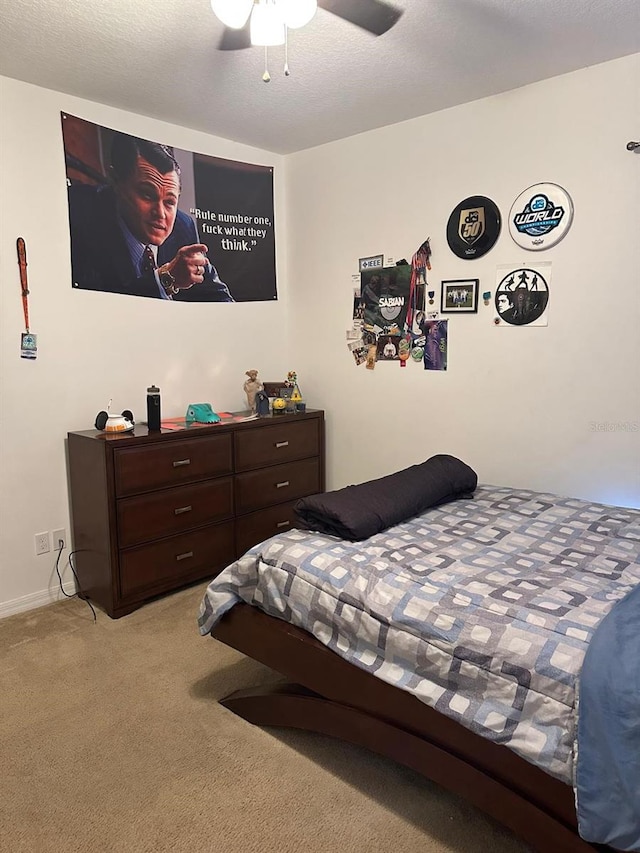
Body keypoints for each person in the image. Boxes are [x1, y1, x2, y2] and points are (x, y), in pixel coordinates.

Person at [67, 132, 234, 301]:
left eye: (169, 202)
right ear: (116, 182)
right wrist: (165, 279)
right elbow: (97, 306)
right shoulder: (77, 215)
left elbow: (218, 298)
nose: (161, 214)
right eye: (147, 195)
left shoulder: (183, 226)